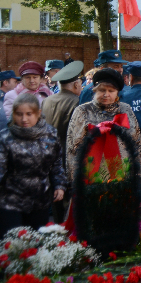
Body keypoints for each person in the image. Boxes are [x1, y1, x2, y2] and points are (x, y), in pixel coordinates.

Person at [66, 68, 141, 186]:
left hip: (123, 173)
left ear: (117, 93)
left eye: (111, 90)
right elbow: (72, 146)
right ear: (94, 91)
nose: (106, 94)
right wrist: (74, 178)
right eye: (102, 90)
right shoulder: (82, 111)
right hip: (92, 174)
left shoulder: (126, 109)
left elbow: (136, 141)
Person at [0, 94, 67, 235]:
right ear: (13, 114)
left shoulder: (50, 134)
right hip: (11, 202)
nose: (24, 119)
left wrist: (60, 185)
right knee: (13, 246)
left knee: (37, 244)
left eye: (29, 114)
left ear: (38, 113)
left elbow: (56, 163)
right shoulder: (5, 137)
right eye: (19, 114)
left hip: (40, 200)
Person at [42, 61, 83, 222]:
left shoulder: (47, 101)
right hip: (68, 158)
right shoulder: (76, 103)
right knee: (70, 205)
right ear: (75, 85)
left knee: (56, 202)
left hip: (48, 157)